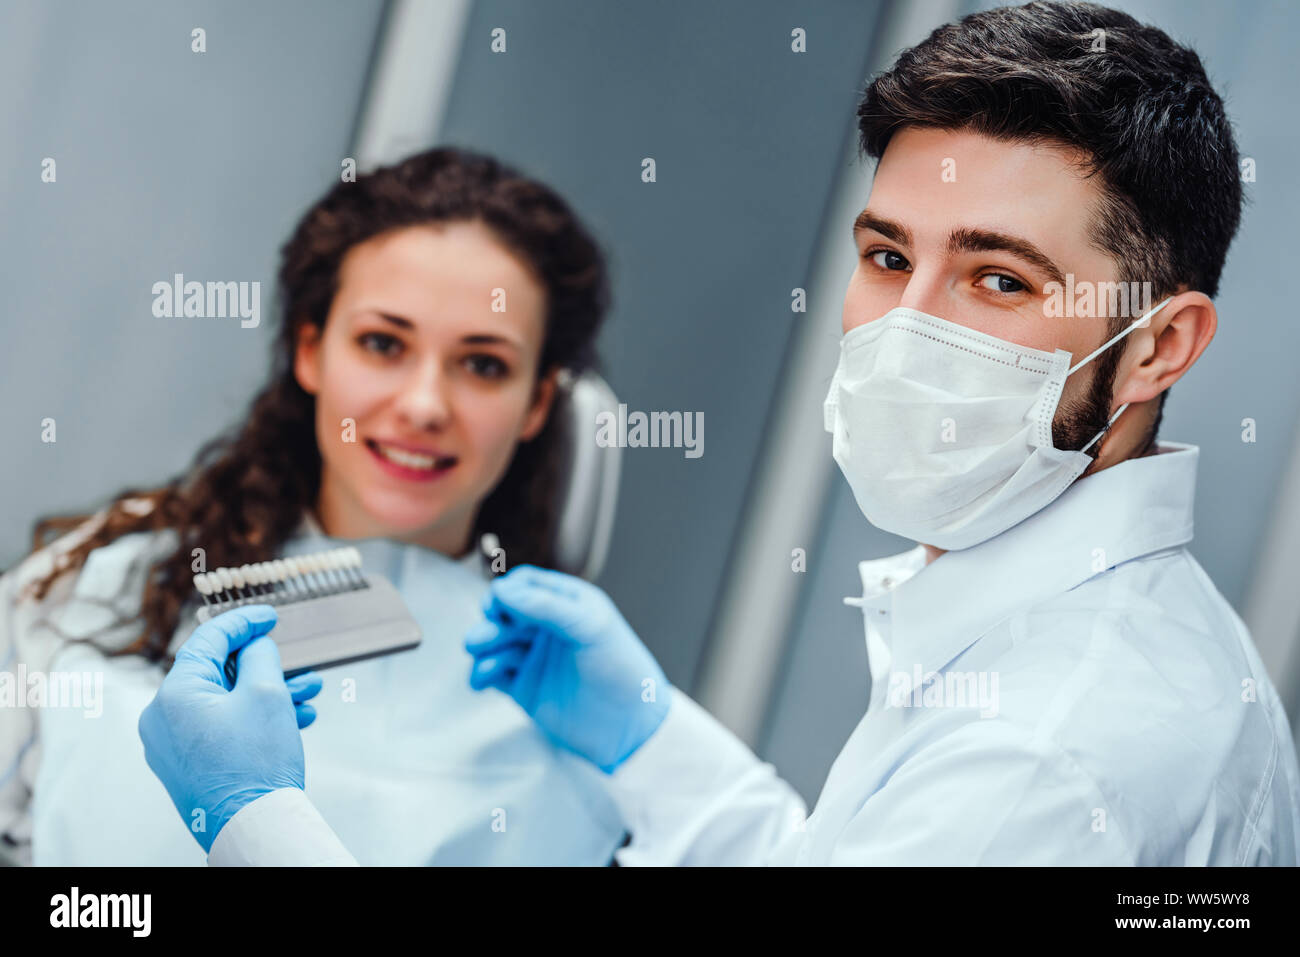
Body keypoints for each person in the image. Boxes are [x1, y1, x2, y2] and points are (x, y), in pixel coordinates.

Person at [140, 1, 1299, 865]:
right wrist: (649, 739)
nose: (901, 332)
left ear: (1156, 346)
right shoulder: (1068, 655)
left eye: (995, 280)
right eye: (888, 257)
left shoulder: (1055, 751)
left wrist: (253, 821)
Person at [0, 147, 629, 865]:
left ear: (538, 401)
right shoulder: (102, 588)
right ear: (310, 349)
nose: (424, 404)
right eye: (382, 343)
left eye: (483, 363)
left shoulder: (578, 707)